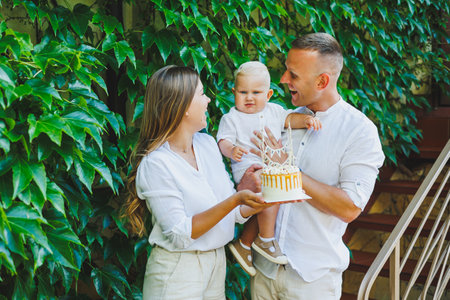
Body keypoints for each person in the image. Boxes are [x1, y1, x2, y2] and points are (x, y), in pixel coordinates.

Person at [237, 33, 385, 299]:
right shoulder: (278, 120)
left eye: (293, 75)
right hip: (263, 273)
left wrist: (290, 173)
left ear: (322, 81)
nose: (283, 79)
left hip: (312, 282)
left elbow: (350, 208)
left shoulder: (359, 132)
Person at [124, 65, 271, 300]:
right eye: (201, 94)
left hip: (216, 264)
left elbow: (232, 213)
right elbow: (179, 234)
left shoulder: (207, 145)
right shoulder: (156, 164)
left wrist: (260, 198)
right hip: (178, 273)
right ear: (182, 106)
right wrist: (236, 199)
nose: (209, 99)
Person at [216, 61, 322, 276]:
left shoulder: (274, 111)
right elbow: (222, 141)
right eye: (243, 92)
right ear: (234, 92)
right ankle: (266, 239)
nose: (249, 97)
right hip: (249, 168)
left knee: (270, 197)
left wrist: (309, 120)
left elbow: (290, 119)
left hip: (269, 168)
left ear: (269, 94)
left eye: (256, 92)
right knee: (273, 188)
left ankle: (245, 245)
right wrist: (231, 150)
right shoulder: (232, 118)